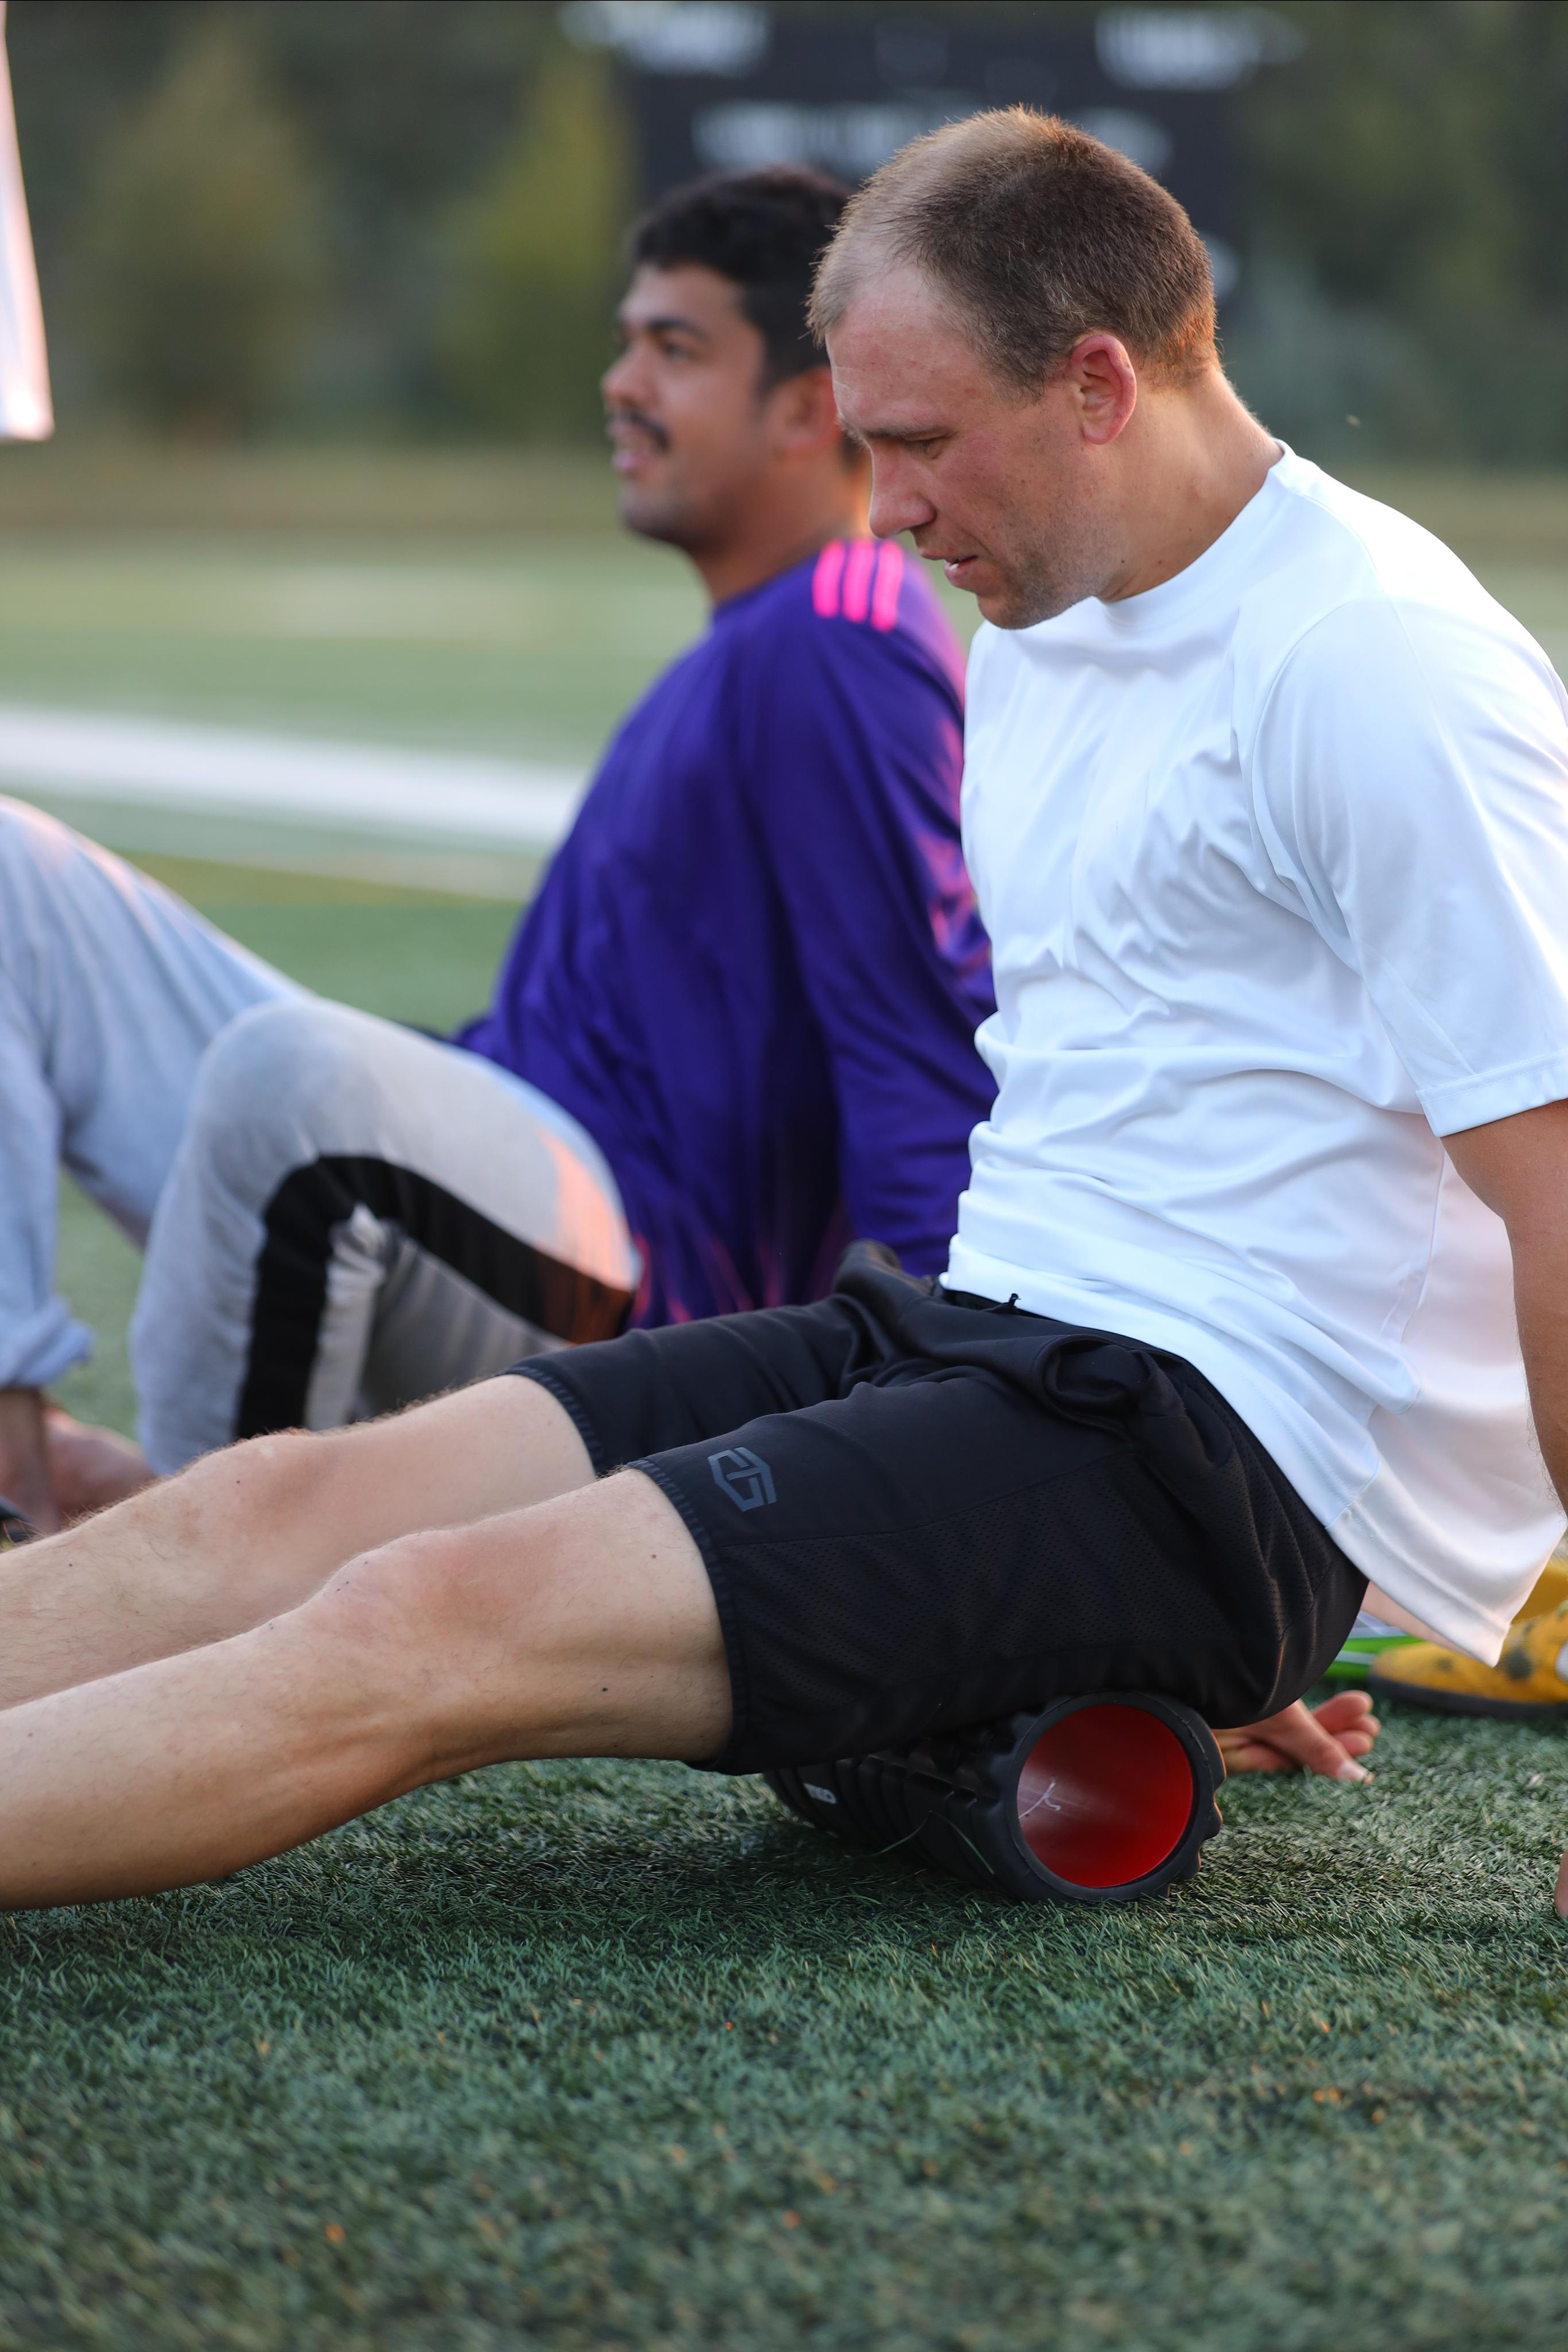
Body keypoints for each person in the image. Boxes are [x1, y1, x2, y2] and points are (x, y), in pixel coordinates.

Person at [29, 100, 1568, 1924]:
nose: (887, 507)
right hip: (972, 1333)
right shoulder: (1045, 628)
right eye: (866, 443)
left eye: (920, 444)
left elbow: (1551, 1188)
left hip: (1210, 1459)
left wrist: (1177, 1589)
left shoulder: (1374, 661)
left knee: (416, 1615)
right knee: (267, 1511)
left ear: (1096, 384)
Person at [0, 167, 993, 1533]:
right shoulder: (769, 635)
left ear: (809, 405)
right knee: (19, 883)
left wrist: (964, 1452)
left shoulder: (839, 647)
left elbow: (920, 1061)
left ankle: (168, 1584)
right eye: (627, 340)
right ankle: (21, 1486)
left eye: (674, 348)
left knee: (291, 1081)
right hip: (512, 1193)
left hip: (641, 1301)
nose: (619, 383)